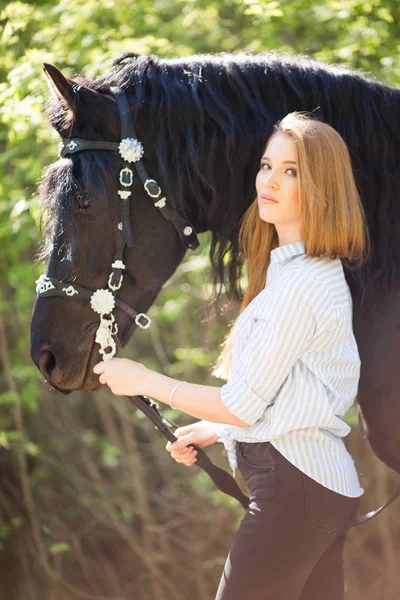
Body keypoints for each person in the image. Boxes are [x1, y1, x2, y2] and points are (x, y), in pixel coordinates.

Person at [93, 111, 370, 599]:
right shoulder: (301, 274)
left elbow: (243, 404)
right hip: (315, 489)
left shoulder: (299, 285)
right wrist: (216, 430)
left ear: (322, 188)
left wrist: (142, 378)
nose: (270, 180)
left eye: (292, 172)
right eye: (268, 165)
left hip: (297, 492)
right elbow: (292, 393)